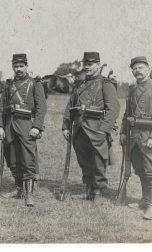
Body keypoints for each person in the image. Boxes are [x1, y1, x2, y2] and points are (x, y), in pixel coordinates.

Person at [62, 52, 120, 201]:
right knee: (84, 160)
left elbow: (113, 108)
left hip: (97, 129)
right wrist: (66, 126)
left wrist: (103, 130)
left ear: (98, 65)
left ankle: (97, 192)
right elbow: (71, 106)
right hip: (80, 128)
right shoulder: (80, 84)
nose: (87, 67)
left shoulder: (106, 83)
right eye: (85, 64)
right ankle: (88, 189)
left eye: (91, 64)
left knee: (98, 162)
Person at [0, 54, 47, 206]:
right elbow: (1, 107)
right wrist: (0, 126)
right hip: (9, 125)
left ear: (26, 66)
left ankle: (29, 194)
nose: (18, 69)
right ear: (12, 67)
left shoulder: (35, 84)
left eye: (21, 66)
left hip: (26, 125)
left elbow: (41, 107)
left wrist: (37, 127)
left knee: (28, 159)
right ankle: (19, 189)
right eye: (16, 66)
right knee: (12, 158)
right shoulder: (9, 84)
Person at [119, 56, 152, 220]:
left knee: (150, 171)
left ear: (148, 69)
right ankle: (145, 200)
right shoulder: (132, 89)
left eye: (140, 67)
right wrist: (123, 132)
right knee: (140, 170)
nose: (137, 71)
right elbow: (127, 114)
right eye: (134, 68)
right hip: (134, 136)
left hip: (149, 136)